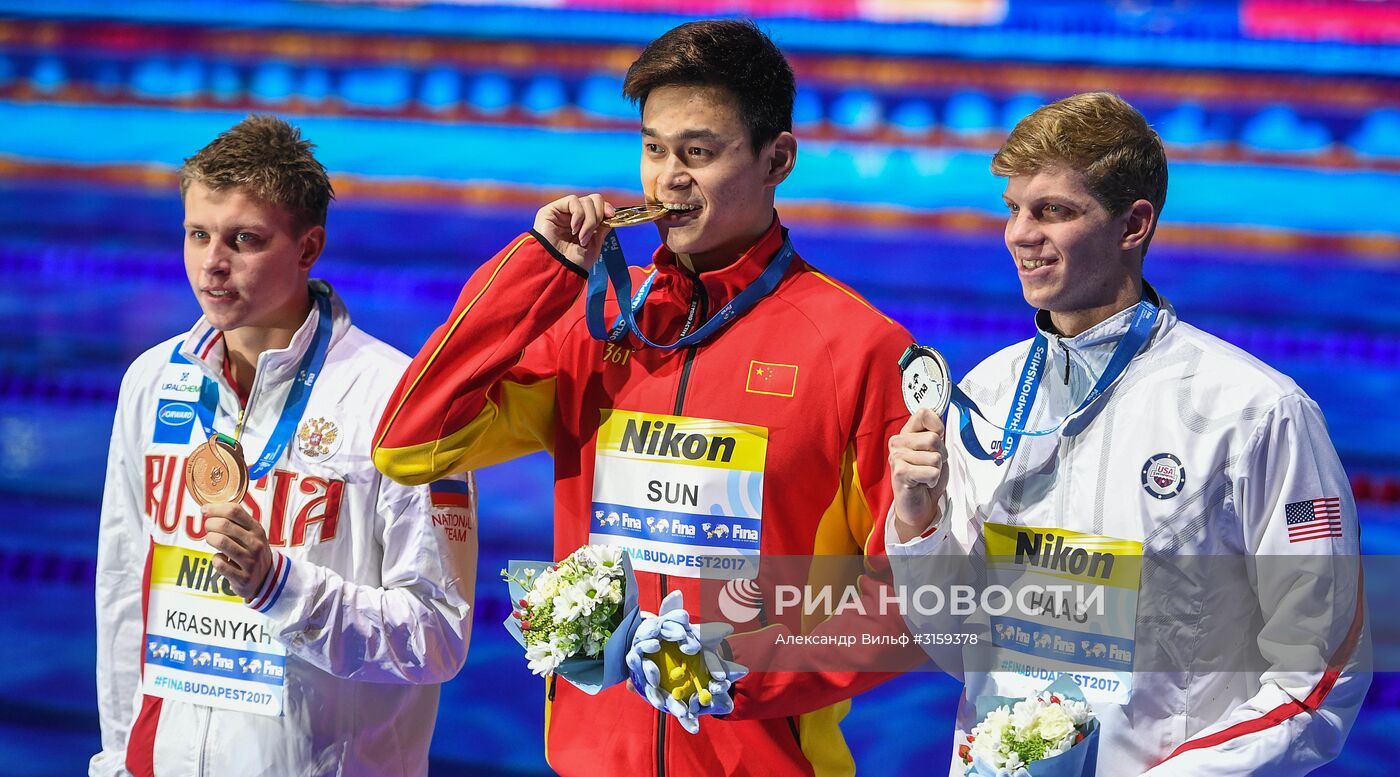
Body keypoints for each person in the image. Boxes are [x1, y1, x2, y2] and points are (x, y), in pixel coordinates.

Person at [373, 19, 915, 777]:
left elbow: (912, 603)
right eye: (654, 148)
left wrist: (740, 671)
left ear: (777, 160)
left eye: (699, 151)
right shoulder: (593, 326)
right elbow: (410, 443)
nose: (668, 178)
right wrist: (536, 272)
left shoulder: (855, 348)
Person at [886, 91, 1370, 775]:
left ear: (1133, 224)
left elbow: (1318, 674)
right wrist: (918, 521)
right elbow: (956, 645)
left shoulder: (1255, 411)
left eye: (1052, 210)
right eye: (1014, 208)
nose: (1019, 234)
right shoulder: (986, 396)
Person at [91, 115, 477, 777]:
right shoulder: (153, 383)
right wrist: (117, 760)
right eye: (197, 234)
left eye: (244, 239)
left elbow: (437, 634)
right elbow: (125, 591)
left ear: (308, 247)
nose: (212, 263)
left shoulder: (399, 400)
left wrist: (282, 586)